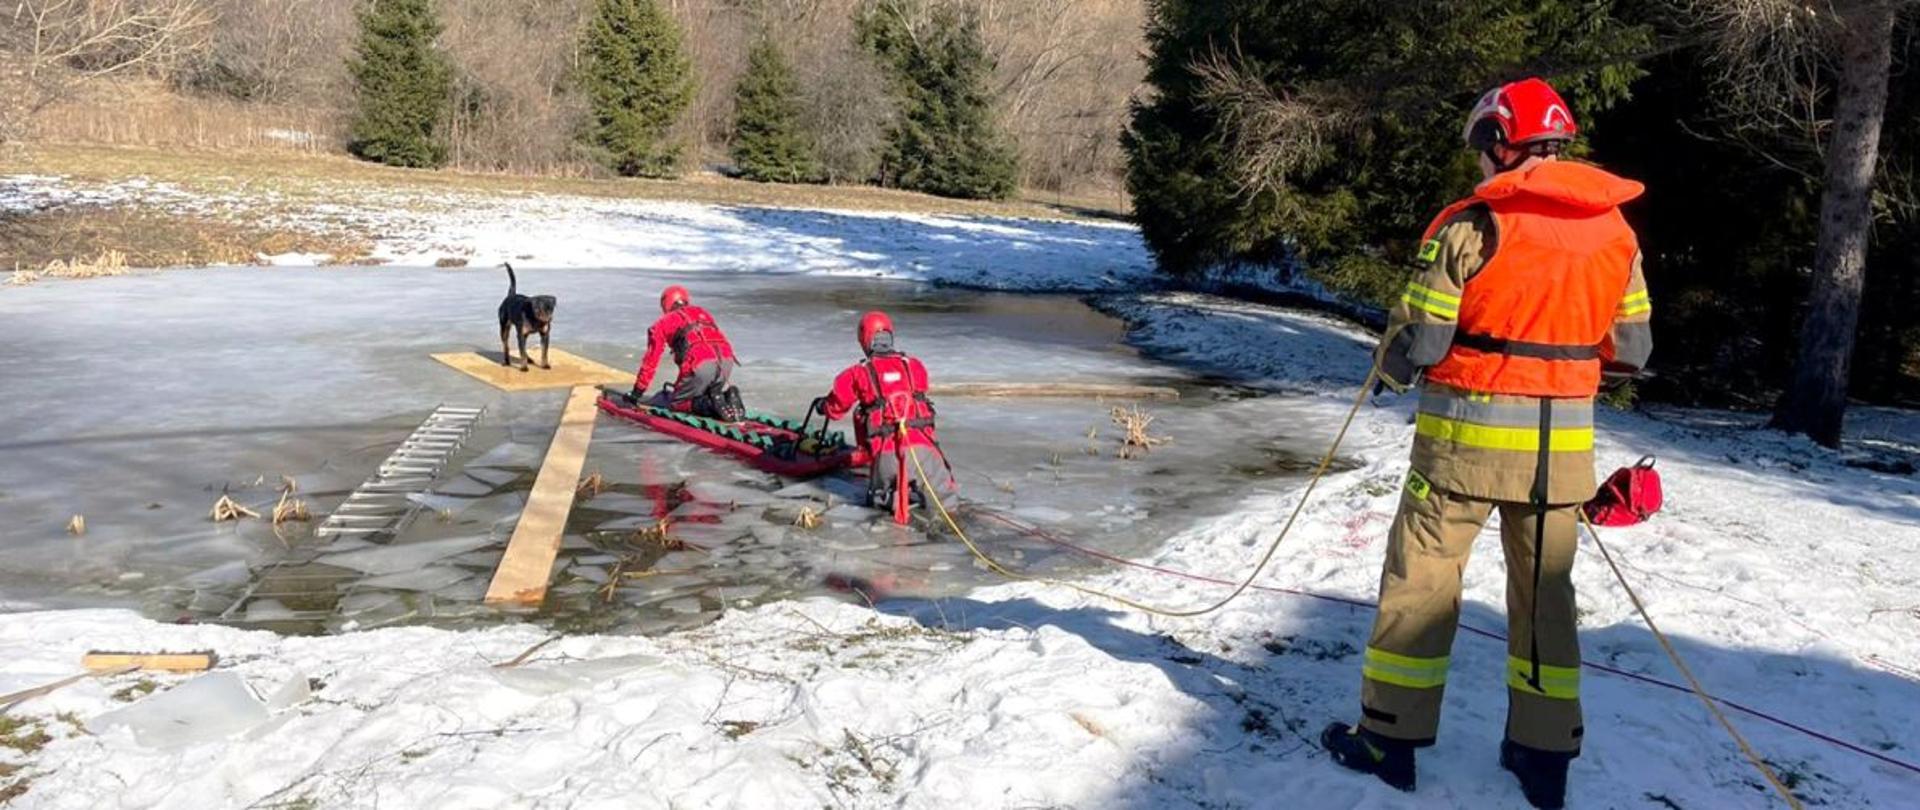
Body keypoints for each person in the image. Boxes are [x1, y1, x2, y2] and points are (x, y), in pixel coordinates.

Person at [1320, 77, 1653, 809]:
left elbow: (1422, 339)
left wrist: (1391, 364)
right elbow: (1633, 346)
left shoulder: (1471, 225)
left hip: (1461, 450)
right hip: (1561, 460)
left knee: (1421, 586)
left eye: (1482, 149)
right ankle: (1543, 758)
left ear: (1498, 143)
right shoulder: (1616, 231)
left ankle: (1389, 740)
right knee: (1545, 601)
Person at [817, 311, 954, 521]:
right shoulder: (914, 366)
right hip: (927, 453)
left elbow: (836, 406)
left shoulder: (858, 373)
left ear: (864, 339)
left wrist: (823, 406)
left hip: (888, 455)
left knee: (883, 508)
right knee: (948, 509)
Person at [631, 285, 744, 420]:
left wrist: (637, 392)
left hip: (700, 365)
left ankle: (709, 403)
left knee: (678, 403)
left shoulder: (662, 323)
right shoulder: (702, 312)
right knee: (705, 391)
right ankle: (727, 396)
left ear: (666, 303)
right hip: (726, 362)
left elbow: (651, 360)